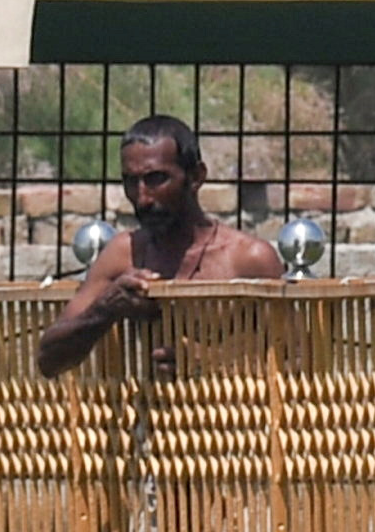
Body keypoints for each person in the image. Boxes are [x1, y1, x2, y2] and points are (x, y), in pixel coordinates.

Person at [36, 112, 288, 374]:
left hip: (232, 411)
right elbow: (49, 361)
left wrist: (215, 364)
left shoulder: (249, 259)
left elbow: (302, 364)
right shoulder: (125, 254)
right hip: (147, 413)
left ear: (196, 177)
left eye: (156, 179)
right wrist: (105, 309)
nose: (142, 198)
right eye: (130, 182)